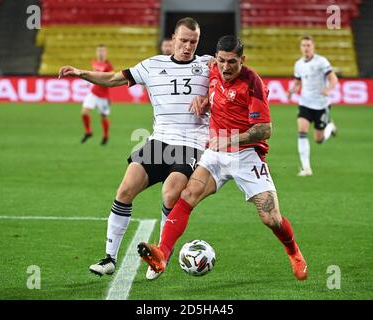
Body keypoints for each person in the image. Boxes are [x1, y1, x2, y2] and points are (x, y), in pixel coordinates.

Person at [138, 35, 308, 281]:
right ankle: (161, 255)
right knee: (187, 195)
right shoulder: (213, 71)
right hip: (215, 155)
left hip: (246, 155)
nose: (226, 67)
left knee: (271, 217)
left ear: (242, 60)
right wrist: (204, 100)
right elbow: (212, 93)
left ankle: (294, 252)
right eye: (221, 61)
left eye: (232, 62)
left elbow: (265, 130)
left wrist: (229, 140)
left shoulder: (252, 83)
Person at [58, 17, 212, 280]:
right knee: (125, 188)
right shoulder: (152, 66)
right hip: (159, 140)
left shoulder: (209, 65)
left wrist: (208, 97)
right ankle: (109, 258)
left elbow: (234, 79)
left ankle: (161, 255)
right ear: (173, 39)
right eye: (184, 40)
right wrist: (83, 73)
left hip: (192, 142)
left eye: (193, 42)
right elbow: (112, 79)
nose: (188, 46)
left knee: (170, 192)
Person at [287, 35, 338, 176]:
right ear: (300, 48)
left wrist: (329, 89)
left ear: (313, 47)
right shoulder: (298, 64)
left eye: (308, 45)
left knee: (318, 139)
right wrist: (291, 91)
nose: (306, 48)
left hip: (321, 105)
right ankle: (306, 168)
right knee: (302, 131)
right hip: (305, 103)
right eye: (303, 45)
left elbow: (333, 78)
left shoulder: (321, 62)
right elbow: (298, 83)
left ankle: (330, 126)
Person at [81, 45, 114, 145]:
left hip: (103, 95)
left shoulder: (108, 66)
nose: (100, 52)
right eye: (99, 51)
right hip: (93, 92)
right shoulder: (94, 63)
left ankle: (106, 135)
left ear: (106, 52)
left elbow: (112, 77)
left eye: (102, 51)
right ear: (96, 52)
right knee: (84, 112)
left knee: (103, 116)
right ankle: (88, 131)